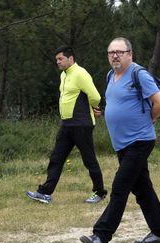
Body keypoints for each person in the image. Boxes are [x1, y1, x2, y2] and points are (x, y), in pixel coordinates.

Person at [80, 37, 160, 243]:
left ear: (130, 54)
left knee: (120, 187)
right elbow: (118, 102)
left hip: (140, 141)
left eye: (119, 52)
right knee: (143, 189)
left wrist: (151, 118)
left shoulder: (139, 74)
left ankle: (101, 236)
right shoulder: (111, 75)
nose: (115, 56)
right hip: (122, 144)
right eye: (111, 52)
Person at [26, 45, 107, 204]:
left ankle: (99, 192)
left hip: (81, 124)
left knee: (88, 159)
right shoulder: (64, 75)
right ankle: (45, 193)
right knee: (56, 158)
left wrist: (94, 109)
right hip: (67, 124)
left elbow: (95, 96)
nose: (58, 62)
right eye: (56, 59)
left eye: (60, 59)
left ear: (71, 58)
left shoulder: (80, 73)